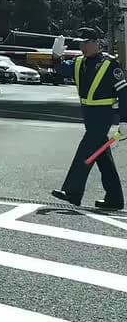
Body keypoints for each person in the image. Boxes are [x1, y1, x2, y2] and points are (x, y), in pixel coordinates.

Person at [50, 27, 127, 211]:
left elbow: (124, 94)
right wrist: (56, 56)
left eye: (86, 42)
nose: (83, 46)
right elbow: (61, 70)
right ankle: (115, 198)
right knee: (102, 156)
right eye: (80, 43)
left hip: (103, 115)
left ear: (97, 43)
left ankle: (72, 192)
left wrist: (125, 120)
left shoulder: (110, 64)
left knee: (85, 151)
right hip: (88, 114)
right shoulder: (78, 63)